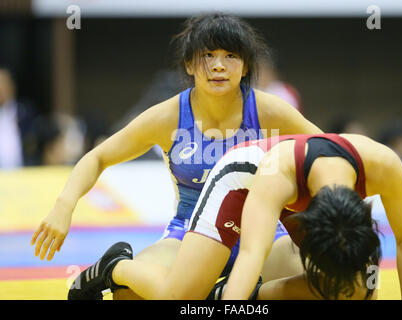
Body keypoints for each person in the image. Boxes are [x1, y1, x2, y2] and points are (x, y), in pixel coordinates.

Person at [30, 13, 323, 299]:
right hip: (192, 233)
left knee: (328, 286)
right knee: (129, 295)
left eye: (230, 56)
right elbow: (98, 157)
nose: (218, 66)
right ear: (189, 65)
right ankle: (114, 267)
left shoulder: (269, 110)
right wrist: (63, 205)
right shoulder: (169, 117)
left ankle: (217, 295)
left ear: (245, 66)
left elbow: (330, 152)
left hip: (262, 233)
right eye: (207, 55)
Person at [66, 133, 402, 300]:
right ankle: (115, 266)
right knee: (180, 301)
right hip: (242, 177)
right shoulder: (271, 178)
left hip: (301, 192)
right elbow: (251, 254)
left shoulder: (384, 164)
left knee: (358, 290)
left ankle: (242, 295)